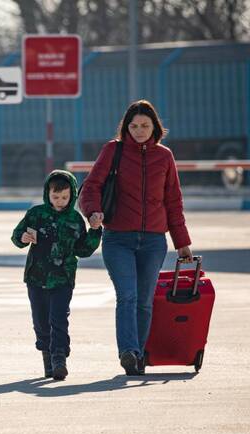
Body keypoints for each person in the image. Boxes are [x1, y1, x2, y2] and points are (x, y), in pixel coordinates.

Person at [79, 99, 192, 376]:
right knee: (127, 296)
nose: (139, 130)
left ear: (155, 126)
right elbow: (91, 186)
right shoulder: (113, 151)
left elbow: (173, 201)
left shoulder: (164, 156)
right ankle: (128, 351)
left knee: (144, 300)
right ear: (125, 127)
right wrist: (93, 212)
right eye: (133, 126)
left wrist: (182, 242)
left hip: (154, 241)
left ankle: (138, 356)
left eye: (144, 125)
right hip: (118, 238)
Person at [11, 170, 102, 380]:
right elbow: (17, 236)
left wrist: (95, 231)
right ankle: (47, 356)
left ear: (72, 195)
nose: (60, 201)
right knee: (41, 322)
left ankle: (59, 358)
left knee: (59, 319)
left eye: (64, 197)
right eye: (55, 197)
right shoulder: (36, 214)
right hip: (36, 278)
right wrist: (23, 238)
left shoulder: (75, 219)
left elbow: (83, 250)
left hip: (63, 278)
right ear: (47, 194)